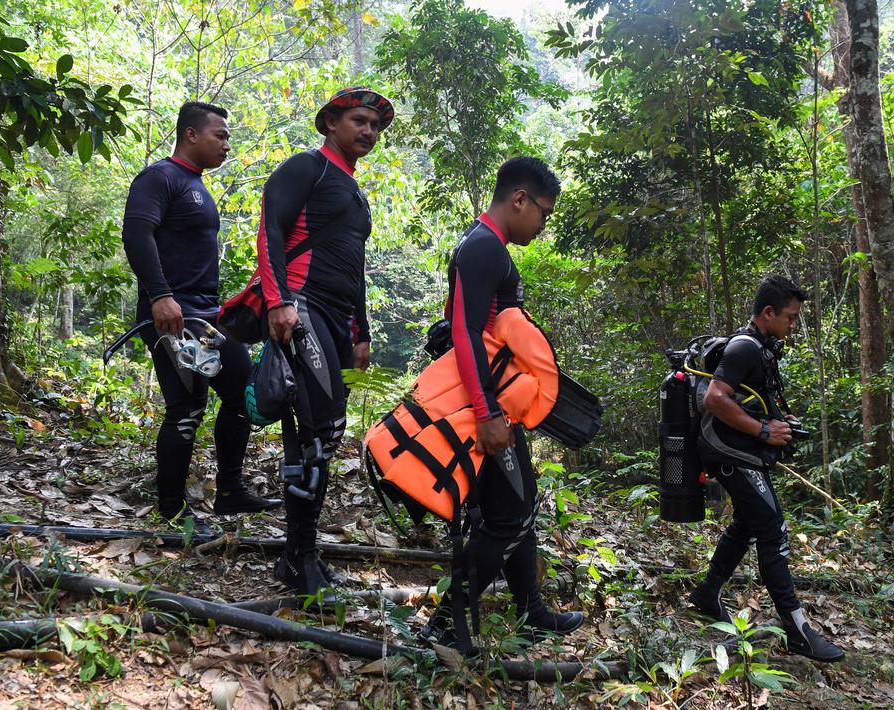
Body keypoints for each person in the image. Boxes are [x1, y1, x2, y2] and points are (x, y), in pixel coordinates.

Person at [420, 157, 584, 650]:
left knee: (520, 504)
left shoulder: (489, 246)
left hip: (496, 402)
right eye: (544, 213)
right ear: (519, 199)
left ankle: (530, 609)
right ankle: (446, 623)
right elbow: (466, 334)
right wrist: (487, 413)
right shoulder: (484, 248)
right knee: (508, 516)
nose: (543, 223)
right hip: (483, 407)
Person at [256, 87, 394, 600]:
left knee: (321, 434)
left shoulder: (355, 192)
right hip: (302, 305)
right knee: (320, 429)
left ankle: (301, 553)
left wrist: (362, 332)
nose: (369, 132)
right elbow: (269, 229)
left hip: (338, 320)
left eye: (375, 127)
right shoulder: (306, 168)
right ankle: (300, 559)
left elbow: (355, 269)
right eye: (359, 121)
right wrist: (278, 301)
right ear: (332, 122)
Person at [122, 101, 280, 532]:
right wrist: (160, 296)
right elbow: (136, 234)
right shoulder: (160, 178)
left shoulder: (197, 184)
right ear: (191, 134)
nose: (227, 144)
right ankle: (171, 508)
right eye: (221, 135)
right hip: (172, 315)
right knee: (187, 408)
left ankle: (230, 491)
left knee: (243, 393)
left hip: (206, 314)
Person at [689, 275, 845, 662]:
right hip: (732, 455)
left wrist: (778, 419)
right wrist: (762, 429)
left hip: (740, 452)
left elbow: (746, 398)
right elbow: (715, 398)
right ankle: (798, 632)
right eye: (790, 318)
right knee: (773, 530)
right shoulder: (745, 347)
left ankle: (707, 594)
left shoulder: (760, 347)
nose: (793, 325)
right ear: (768, 313)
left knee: (747, 524)